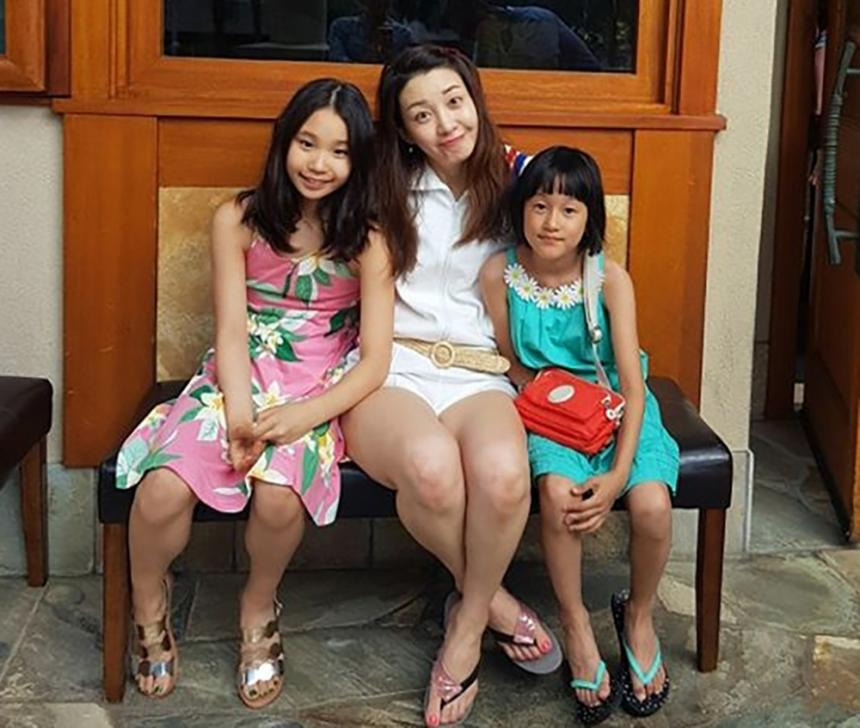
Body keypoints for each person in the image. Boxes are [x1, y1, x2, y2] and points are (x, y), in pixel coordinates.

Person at [115, 78, 394, 709]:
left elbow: (375, 361)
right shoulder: (238, 220)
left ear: (359, 161)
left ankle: (258, 605)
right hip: (236, 377)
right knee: (161, 490)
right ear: (284, 142)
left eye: (340, 151)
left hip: (316, 388)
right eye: (307, 143)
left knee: (277, 498)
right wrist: (239, 416)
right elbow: (232, 332)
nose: (319, 163)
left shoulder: (369, 239)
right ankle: (148, 602)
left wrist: (302, 417)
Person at [341, 44, 562, 728]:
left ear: (475, 99)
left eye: (454, 102)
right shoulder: (384, 190)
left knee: (504, 478)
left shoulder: (519, 180)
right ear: (403, 129)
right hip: (392, 370)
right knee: (433, 471)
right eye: (422, 114)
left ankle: (464, 626)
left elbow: (578, 251)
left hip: (479, 373)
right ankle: (494, 604)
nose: (445, 124)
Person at [480, 146, 678, 724]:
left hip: (617, 406)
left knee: (651, 505)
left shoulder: (609, 279)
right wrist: (548, 401)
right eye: (540, 206)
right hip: (551, 412)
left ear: (590, 217)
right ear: (521, 208)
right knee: (558, 494)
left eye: (569, 210)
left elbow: (633, 385)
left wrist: (617, 474)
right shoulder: (499, 274)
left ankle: (638, 615)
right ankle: (574, 621)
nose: (551, 222)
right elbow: (511, 361)